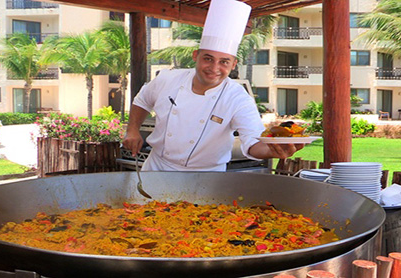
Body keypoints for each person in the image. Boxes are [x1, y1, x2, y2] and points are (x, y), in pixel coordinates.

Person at [122, 0, 304, 171]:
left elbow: (253, 142)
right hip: (158, 168)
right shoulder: (167, 79)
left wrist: (272, 150)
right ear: (195, 56)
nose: (214, 68)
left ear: (233, 65)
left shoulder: (238, 98)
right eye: (208, 58)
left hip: (207, 177)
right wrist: (132, 131)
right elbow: (143, 100)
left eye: (224, 62)